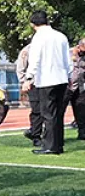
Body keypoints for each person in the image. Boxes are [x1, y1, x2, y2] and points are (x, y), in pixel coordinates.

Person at [22, 10, 72, 155]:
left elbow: (35, 60)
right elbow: (67, 60)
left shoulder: (39, 37)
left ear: (33, 24)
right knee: (58, 113)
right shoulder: (61, 36)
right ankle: (58, 144)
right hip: (61, 78)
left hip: (47, 79)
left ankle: (50, 146)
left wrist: (28, 78)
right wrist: (69, 76)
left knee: (48, 114)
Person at [16, 44, 43, 147]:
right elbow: (21, 68)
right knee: (37, 110)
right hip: (33, 84)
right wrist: (24, 82)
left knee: (48, 111)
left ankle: (35, 131)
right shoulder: (27, 50)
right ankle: (36, 136)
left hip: (48, 83)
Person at [74, 39, 85, 139]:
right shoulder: (68, 54)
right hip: (67, 88)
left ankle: (82, 133)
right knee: (60, 111)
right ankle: (57, 136)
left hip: (80, 87)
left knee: (81, 111)